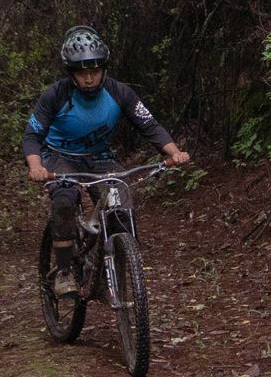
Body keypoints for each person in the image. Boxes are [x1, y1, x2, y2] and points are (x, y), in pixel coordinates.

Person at [23, 26, 190, 297]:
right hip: (59, 157)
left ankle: (112, 268)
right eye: (81, 72)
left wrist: (173, 152)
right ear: (71, 72)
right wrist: (36, 167)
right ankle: (64, 271)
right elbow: (33, 135)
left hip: (99, 158)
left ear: (104, 69)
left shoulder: (120, 93)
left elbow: (148, 124)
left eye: (95, 71)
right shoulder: (55, 95)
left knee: (120, 202)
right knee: (64, 201)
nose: (89, 79)